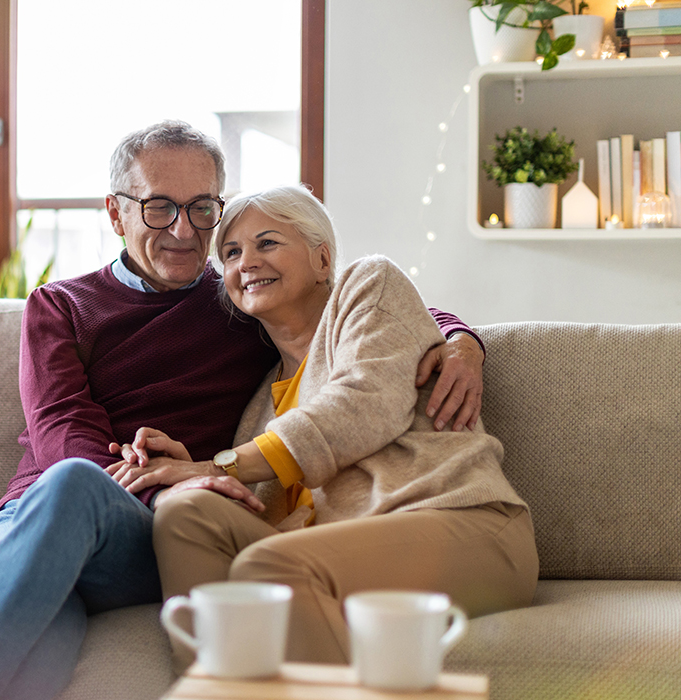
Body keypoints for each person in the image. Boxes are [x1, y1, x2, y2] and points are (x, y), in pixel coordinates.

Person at [0, 122, 487, 700]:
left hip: (168, 534)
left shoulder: (240, 295)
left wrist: (462, 342)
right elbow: (61, 431)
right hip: (57, 508)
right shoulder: (61, 305)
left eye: (202, 207)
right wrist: (171, 486)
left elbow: (360, 310)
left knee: (63, 571)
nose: (183, 230)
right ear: (116, 213)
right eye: (159, 207)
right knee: (70, 504)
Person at [107, 185, 538, 670]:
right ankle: (218, 682)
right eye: (231, 252)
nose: (246, 261)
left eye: (267, 243)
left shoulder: (368, 287)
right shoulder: (257, 410)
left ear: (322, 259)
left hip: (465, 524)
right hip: (344, 552)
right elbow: (273, 507)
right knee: (186, 513)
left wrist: (223, 463)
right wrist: (203, 476)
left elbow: (361, 406)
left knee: (270, 568)